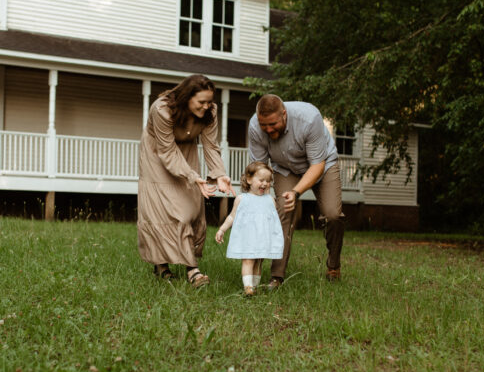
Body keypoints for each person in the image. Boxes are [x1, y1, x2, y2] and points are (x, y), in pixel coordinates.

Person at [137, 74, 234, 286]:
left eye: (209, 101)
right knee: (165, 211)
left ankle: (187, 261)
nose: (207, 106)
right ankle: (178, 268)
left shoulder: (210, 112)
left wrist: (219, 173)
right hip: (157, 154)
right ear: (186, 97)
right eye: (201, 102)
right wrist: (192, 175)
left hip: (186, 150)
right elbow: (167, 150)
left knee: (190, 208)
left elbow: (210, 145)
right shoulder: (162, 110)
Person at [248, 94, 345, 287]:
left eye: (272, 124)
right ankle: (277, 276)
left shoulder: (309, 118)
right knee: (283, 209)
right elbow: (258, 167)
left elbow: (317, 164)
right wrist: (255, 198)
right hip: (285, 168)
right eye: (263, 125)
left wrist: (296, 192)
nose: (267, 129)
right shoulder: (255, 126)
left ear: (284, 114)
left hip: (322, 165)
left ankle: (333, 265)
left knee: (333, 214)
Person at [214, 161, 285, 296]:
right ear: (249, 179)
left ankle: (254, 286)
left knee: (258, 261)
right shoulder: (242, 199)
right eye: (261, 180)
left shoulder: (270, 200)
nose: (264, 184)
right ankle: (248, 287)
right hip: (247, 237)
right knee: (248, 260)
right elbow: (231, 217)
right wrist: (222, 229)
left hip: (262, 237)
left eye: (268, 181)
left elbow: (273, 219)